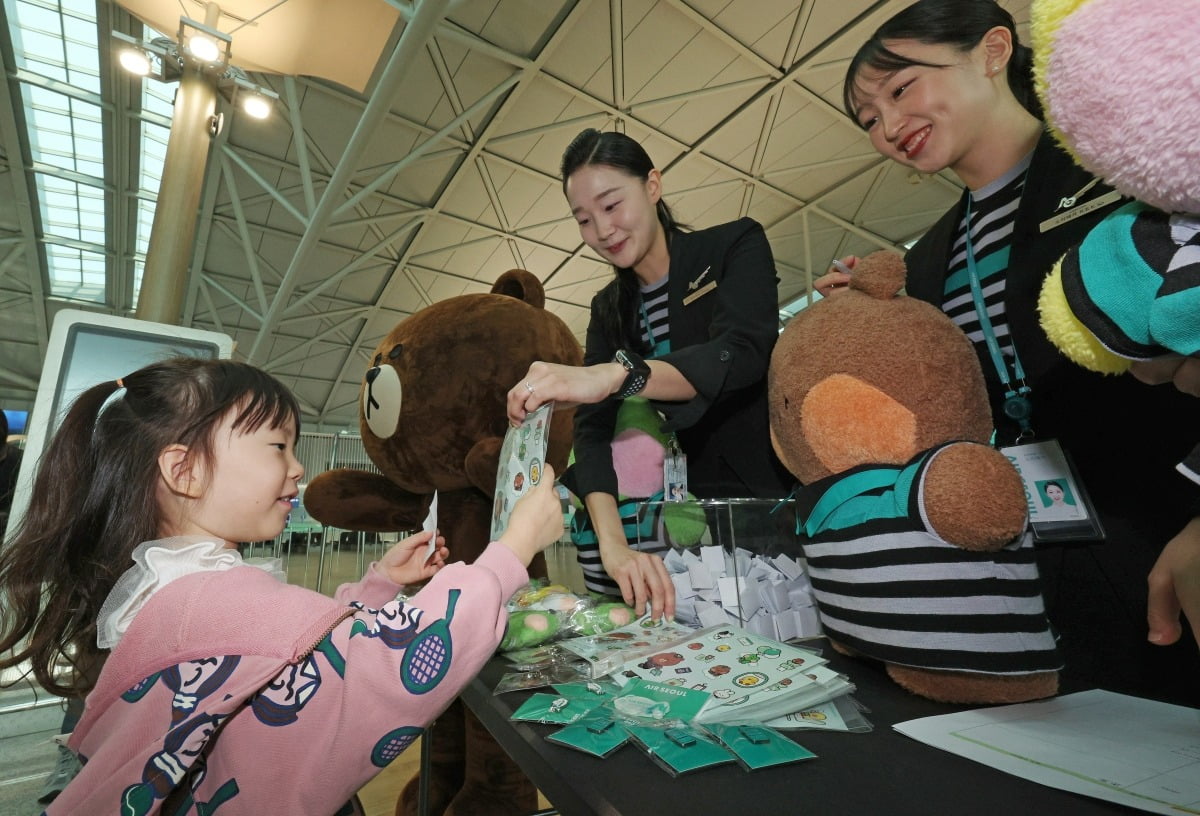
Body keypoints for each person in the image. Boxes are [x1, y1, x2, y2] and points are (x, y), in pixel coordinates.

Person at [816, 0, 1200, 704]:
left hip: (1173, 527)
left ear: (993, 50)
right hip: (1042, 560)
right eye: (868, 119)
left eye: (900, 90)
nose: (887, 127)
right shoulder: (931, 255)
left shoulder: (1112, 163)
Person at [0, 357, 563, 814]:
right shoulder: (216, 601)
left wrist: (377, 586)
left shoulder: (167, 588)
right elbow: (395, 666)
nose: (297, 468)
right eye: (277, 446)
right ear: (185, 471)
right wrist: (512, 549)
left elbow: (298, 665)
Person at [507, 128, 791, 621]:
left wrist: (619, 376)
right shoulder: (608, 309)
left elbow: (742, 352)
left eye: (612, 205)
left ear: (652, 186)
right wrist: (614, 546)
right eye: (584, 219)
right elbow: (592, 432)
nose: (602, 230)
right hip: (660, 542)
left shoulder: (732, 246)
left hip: (755, 513)